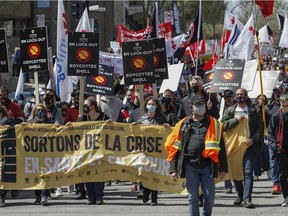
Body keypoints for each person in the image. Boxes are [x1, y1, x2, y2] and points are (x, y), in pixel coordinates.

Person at [165, 95, 228, 216]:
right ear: (191, 106)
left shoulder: (214, 123)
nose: (201, 107)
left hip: (208, 166)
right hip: (190, 166)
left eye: (202, 104)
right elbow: (175, 148)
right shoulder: (182, 124)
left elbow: (222, 148)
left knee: (209, 197)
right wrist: (173, 169)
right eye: (197, 105)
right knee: (192, 198)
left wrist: (223, 168)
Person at [221, 88, 264, 208]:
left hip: (249, 146)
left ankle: (247, 198)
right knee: (236, 171)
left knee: (247, 172)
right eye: (238, 95)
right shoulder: (230, 110)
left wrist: (254, 139)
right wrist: (235, 120)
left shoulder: (254, 110)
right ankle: (240, 194)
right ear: (235, 96)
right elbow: (223, 125)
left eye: (242, 95)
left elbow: (261, 126)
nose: (240, 96)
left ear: (246, 96)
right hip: (235, 146)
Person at [131, 97, 170, 206]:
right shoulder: (141, 118)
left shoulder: (161, 118)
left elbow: (166, 132)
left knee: (155, 174)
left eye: (153, 104)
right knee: (145, 173)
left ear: (157, 106)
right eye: (149, 104)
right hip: (144, 150)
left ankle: (154, 198)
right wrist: (134, 126)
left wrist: (165, 126)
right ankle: (145, 192)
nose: (150, 106)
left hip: (157, 151)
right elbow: (136, 133)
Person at [77, 97, 110, 205]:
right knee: (88, 173)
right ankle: (91, 197)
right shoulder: (82, 119)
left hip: (99, 150)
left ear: (93, 106)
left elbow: (111, 130)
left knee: (99, 173)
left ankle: (99, 196)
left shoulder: (103, 117)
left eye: (86, 106)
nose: (84, 108)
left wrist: (110, 124)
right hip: (86, 151)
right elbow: (76, 132)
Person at [267, 93, 288, 207]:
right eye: (283, 105)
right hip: (282, 150)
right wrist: (274, 146)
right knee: (283, 176)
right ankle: (286, 197)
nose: (285, 108)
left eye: (287, 105)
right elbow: (270, 132)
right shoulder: (276, 116)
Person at [265, 86, 283, 194]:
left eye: (279, 92)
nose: (277, 94)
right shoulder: (268, 107)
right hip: (273, 139)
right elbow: (264, 122)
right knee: (273, 162)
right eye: (275, 92)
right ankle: (276, 183)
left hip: (284, 139)